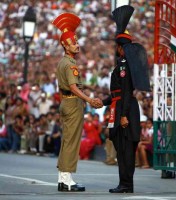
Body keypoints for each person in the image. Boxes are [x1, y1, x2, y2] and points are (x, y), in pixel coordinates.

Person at [101, 5, 151, 193]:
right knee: (123, 149)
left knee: (125, 150)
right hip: (123, 106)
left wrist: (123, 115)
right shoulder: (124, 65)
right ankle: (125, 183)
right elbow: (117, 93)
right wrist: (102, 102)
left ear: (121, 48)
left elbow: (125, 90)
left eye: (118, 47)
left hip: (125, 109)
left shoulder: (123, 66)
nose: (117, 50)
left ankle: (126, 184)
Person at [51, 12, 102, 192]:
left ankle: (62, 178)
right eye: (73, 42)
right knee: (72, 142)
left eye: (77, 41)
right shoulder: (70, 64)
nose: (77, 44)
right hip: (73, 104)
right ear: (65, 45)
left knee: (67, 141)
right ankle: (67, 180)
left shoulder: (62, 62)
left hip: (66, 103)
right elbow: (73, 87)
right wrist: (89, 100)